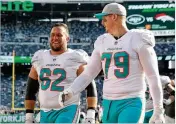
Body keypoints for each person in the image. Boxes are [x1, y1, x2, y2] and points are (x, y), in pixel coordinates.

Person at [58, 3, 165, 123]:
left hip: (131, 100)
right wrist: (71, 90)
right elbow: (89, 74)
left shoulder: (138, 39)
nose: (102, 23)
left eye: (105, 19)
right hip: (108, 102)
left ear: (114, 17)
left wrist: (158, 109)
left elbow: (152, 76)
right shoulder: (102, 41)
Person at [25, 23, 98, 123]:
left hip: (67, 109)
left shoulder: (75, 57)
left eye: (59, 35)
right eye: (53, 35)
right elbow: (31, 89)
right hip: (44, 111)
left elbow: (89, 84)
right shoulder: (40, 57)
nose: (55, 38)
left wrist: (91, 114)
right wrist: (29, 116)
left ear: (67, 38)